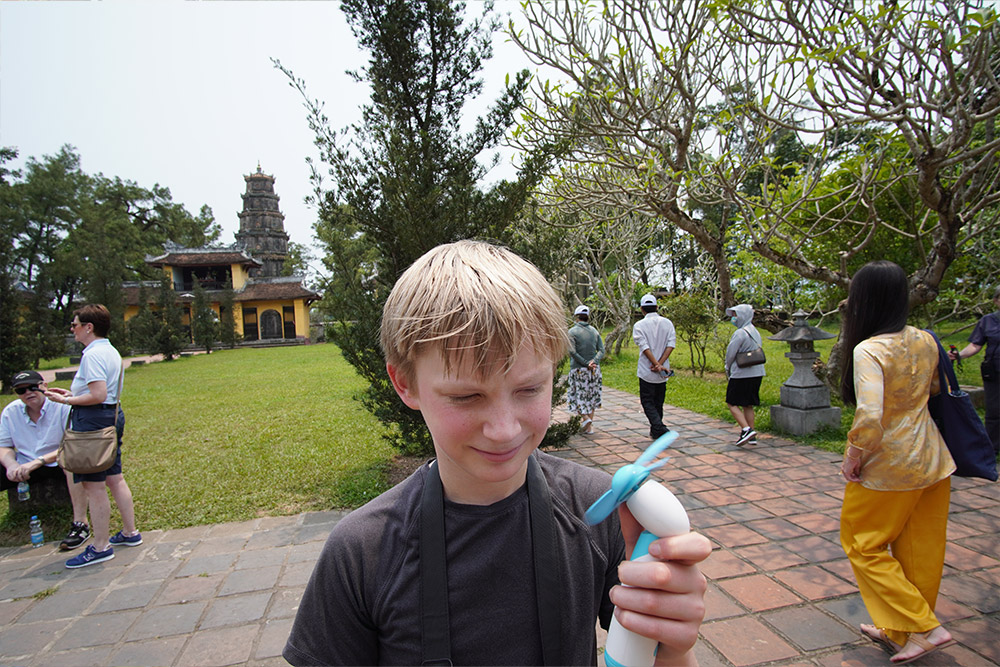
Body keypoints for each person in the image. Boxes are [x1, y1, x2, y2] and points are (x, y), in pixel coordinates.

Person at [284, 241, 710, 666]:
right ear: (405, 384)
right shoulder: (362, 553)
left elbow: (652, 654)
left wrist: (672, 644)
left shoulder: (598, 514)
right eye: (467, 396)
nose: (505, 429)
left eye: (529, 389)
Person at [838, 260, 957, 665]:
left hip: (889, 466)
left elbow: (870, 415)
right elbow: (935, 390)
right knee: (919, 550)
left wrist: (854, 456)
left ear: (863, 301)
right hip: (934, 460)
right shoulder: (926, 339)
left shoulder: (869, 349)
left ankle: (924, 627)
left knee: (862, 544)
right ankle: (901, 631)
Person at [45, 304, 142, 569]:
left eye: (75, 325)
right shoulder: (109, 351)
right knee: (114, 477)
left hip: (92, 420)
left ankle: (100, 546)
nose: (72, 329)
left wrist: (66, 401)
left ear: (89, 327)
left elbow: (97, 394)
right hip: (110, 415)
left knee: (93, 484)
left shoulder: (92, 355)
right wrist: (72, 396)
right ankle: (130, 532)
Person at [1, 370, 91, 550]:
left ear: (45, 386)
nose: (28, 393)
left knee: (72, 461)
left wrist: (39, 461)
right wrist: (11, 465)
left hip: (57, 460)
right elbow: (4, 446)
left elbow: (72, 443)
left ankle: (81, 524)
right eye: (21, 390)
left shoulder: (62, 405)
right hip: (26, 462)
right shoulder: (11, 412)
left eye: (33, 387)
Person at [948, 285, 1000, 453]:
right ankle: (993, 448)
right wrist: (959, 356)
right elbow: (976, 345)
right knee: (994, 410)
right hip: (994, 371)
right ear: (996, 301)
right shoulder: (988, 321)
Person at [632, 293, 676, 439]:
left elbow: (644, 347)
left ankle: (659, 428)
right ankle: (656, 431)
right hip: (662, 372)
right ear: (657, 307)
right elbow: (671, 345)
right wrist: (661, 364)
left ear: (642, 309)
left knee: (648, 401)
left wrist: (655, 364)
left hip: (647, 370)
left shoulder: (639, 325)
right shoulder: (667, 323)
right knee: (658, 401)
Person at [724, 304, 766, 447]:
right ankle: (752, 434)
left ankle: (746, 429)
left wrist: (727, 367)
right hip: (757, 372)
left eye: (736, 315)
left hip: (741, 373)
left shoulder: (740, 333)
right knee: (748, 404)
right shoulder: (755, 331)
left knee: (732, 402)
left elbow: (731, 353)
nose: (734, 318)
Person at [567, 304, 605, 435]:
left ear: (577, 317)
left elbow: (572, 351)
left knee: (578, 396)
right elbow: (601, 350)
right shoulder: (594, 331)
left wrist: (584, 363)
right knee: (591, 397)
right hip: (594, 370)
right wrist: (594, 362)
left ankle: (586, 419)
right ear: (588, 317)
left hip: (578, 370)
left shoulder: (572, 332)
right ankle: (589, 427)